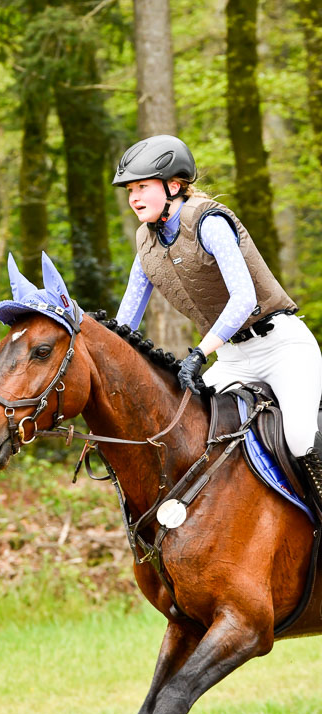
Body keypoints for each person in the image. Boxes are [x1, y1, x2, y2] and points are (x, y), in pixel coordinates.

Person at [112, 134, 322, 515]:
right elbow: (126, 320)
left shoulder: (208, 221)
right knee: (185, 430)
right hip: (231, 359)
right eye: (130, 190)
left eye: (143, 187)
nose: (134, 197)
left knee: (300, 438)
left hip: (281, 348)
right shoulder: (146, 241)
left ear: (173, 185)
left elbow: (243, 298)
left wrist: (197, 355)